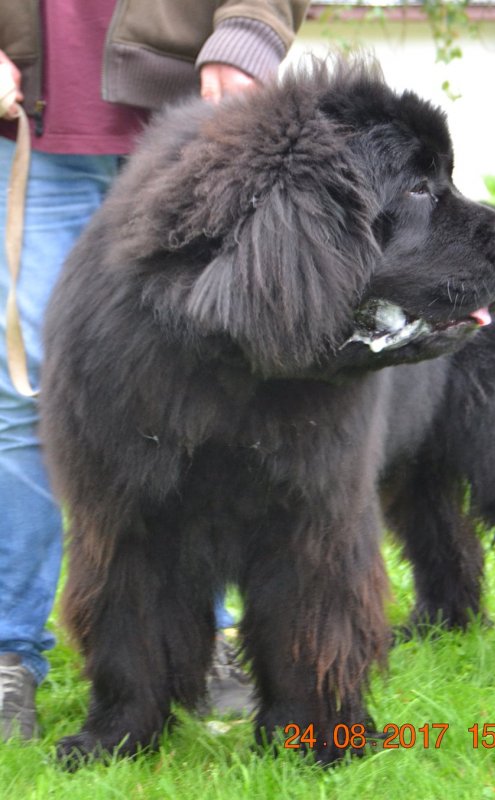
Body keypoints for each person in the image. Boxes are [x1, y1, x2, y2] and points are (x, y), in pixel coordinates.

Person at [0, 0, 308, 741]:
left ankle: (200, 640)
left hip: (195, 128)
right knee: (25, 387)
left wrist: (247, 35)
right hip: (31, 133)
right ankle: (10, 653)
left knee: (203, 386)